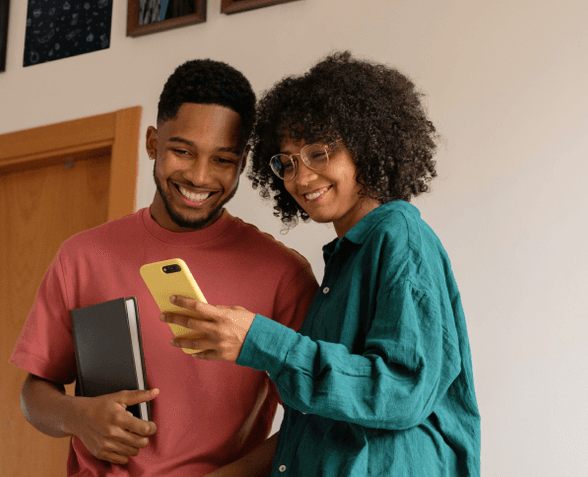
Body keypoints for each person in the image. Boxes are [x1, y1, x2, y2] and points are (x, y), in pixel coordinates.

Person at [161, 51, 482, 476]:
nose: (301, 178)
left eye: (318, 153)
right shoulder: (347, 258)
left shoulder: (399, 236)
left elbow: (402, 392)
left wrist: (260, 341)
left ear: (364, 145)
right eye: (287, 163)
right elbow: (322, 419)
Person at [9, 59, 319, 477]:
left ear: (243, 161)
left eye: (223, 160)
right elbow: (35, 392)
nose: (199, 176)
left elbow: (311, 421)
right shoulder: (82, 256)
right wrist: (77, 417)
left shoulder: (283, 275)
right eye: (182, 151)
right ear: (153, 142)